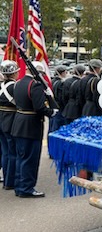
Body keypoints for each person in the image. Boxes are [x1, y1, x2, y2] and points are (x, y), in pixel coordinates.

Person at [11, 61, 55, 198]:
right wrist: (51, 112)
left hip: (18, 123)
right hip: (30, 126)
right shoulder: (35, 85)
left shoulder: (18, 83)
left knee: (20, 158)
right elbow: (39, 107)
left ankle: (19, 186)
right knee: (30, 159)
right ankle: (27, 188)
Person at [0, 60, 20, 190]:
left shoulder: (1, 86)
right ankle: (10, 181)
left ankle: (7, 178)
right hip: (10, 120)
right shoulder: (14, 87)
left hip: (1, 119)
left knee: (5, 152)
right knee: (12, 153)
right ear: (14, 74)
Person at [49, 65, 68, 133]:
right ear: (62, 73)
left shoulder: (51, 81)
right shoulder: (61, 83)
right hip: (59, 106)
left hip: (51, 105)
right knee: (56, 126)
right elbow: (61, 97)